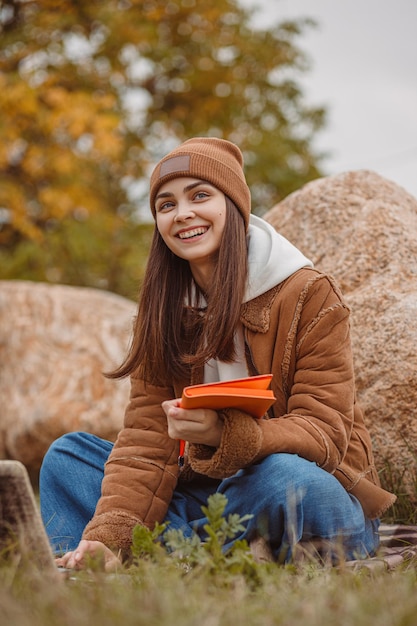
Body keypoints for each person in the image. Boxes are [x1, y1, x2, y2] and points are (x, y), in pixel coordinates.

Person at [40, 137, 396, 571]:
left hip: (314, 495)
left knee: (285, 476)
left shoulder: (308, 293)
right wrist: (109, 534)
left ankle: (174, 553)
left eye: (200, 196)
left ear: (235, 206)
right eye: (166, 205)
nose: (183, 213)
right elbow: (145, 443)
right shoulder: (162, 312)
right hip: (210, 497)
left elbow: (325, 432)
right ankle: (92, 560)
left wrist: (225, 434)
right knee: (68, 456)